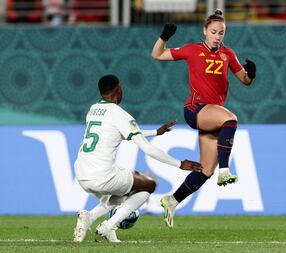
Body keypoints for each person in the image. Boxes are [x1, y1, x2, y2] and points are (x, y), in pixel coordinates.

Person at [151, 9, 256, 228]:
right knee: (231, 120)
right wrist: (164, 37)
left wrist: (251, 74)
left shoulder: (228, 54)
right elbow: (157, 55)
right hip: (196, 110)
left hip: (212, 115)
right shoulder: (192, 50)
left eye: (221, 33)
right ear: (205, 31)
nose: (218, 36)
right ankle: (225, 170)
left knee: (205, 170)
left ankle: (172, 200)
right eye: (214, 32)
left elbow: (245, 80)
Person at [73, 74, 202, 242]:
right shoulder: (120, 114)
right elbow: (147, 149)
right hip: (102, 176)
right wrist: (179, 163)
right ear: (118, 89)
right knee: (148, 184)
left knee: (120, 196)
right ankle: (109, 226)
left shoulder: (93, 110)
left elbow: (121, 133)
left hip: (81, 174)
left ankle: (89, 217)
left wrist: (156, 132)